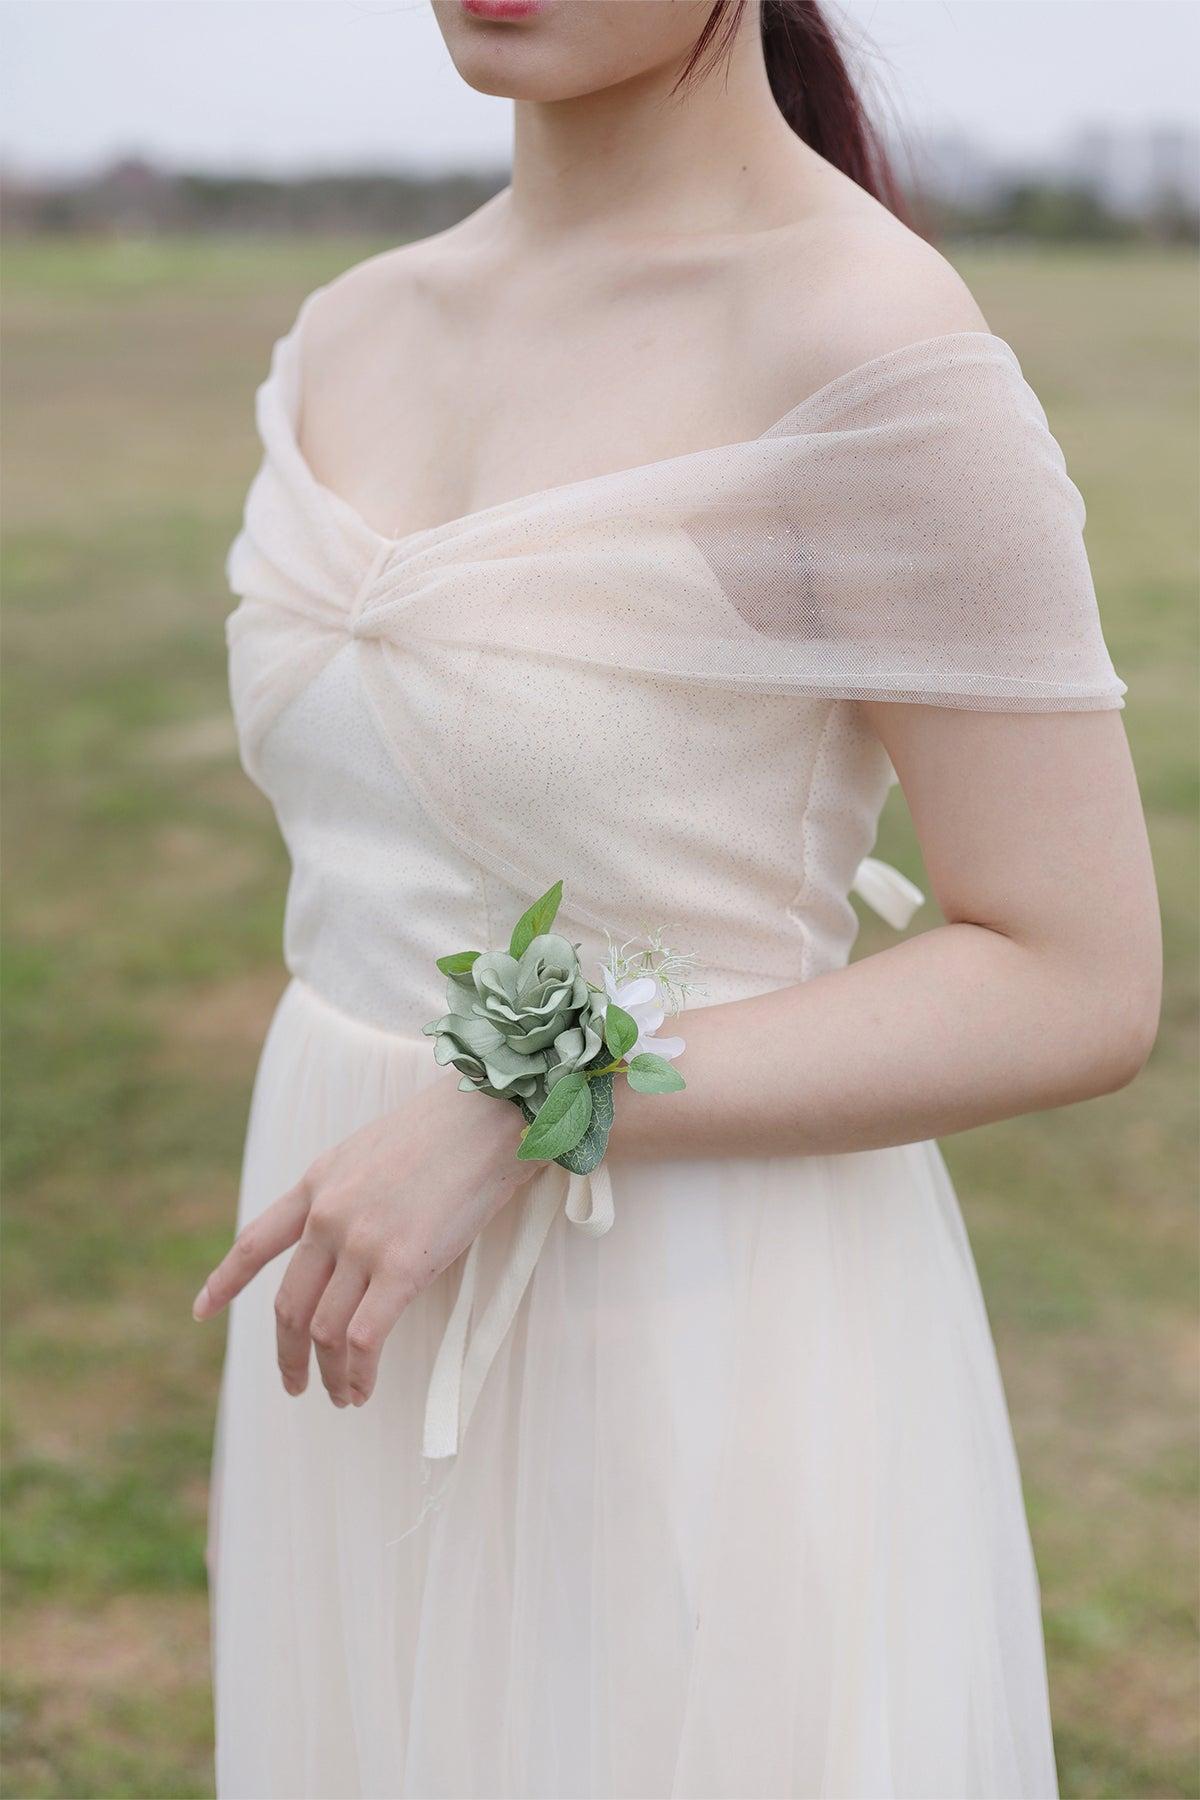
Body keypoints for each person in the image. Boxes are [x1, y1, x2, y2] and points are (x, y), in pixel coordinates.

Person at [195, 2, 1162, 1794]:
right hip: (352, 1279)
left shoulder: (856, 337)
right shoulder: (354, 326)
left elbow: (1073, 972)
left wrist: (532, 1098)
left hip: (688, 1318)